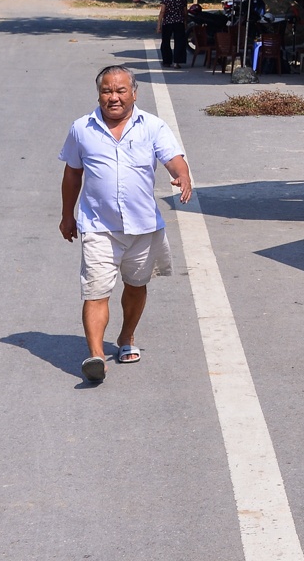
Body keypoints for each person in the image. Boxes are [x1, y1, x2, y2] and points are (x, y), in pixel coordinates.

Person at [59, 65, 192, 384]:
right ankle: (95, 356)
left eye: (120, 91)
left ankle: (126, 338)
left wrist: (182, 174)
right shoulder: (82, 128)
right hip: (97, 227)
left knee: (136, 285)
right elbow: (72, 173)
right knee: (95, 291)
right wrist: (67, 215)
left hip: (143, 227)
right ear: (98, 94)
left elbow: (173, 157)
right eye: (107, 91)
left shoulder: (153, 126)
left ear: (134, 93)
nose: (113, 97)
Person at [158, 0, 189, 67]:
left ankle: (167, 61)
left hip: (167, 22)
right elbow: (185, 13)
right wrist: (185, 22)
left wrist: (159, 24)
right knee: (179, 42)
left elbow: (162, 11)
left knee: (165, 42)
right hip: (179, 22)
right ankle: (177, 62)